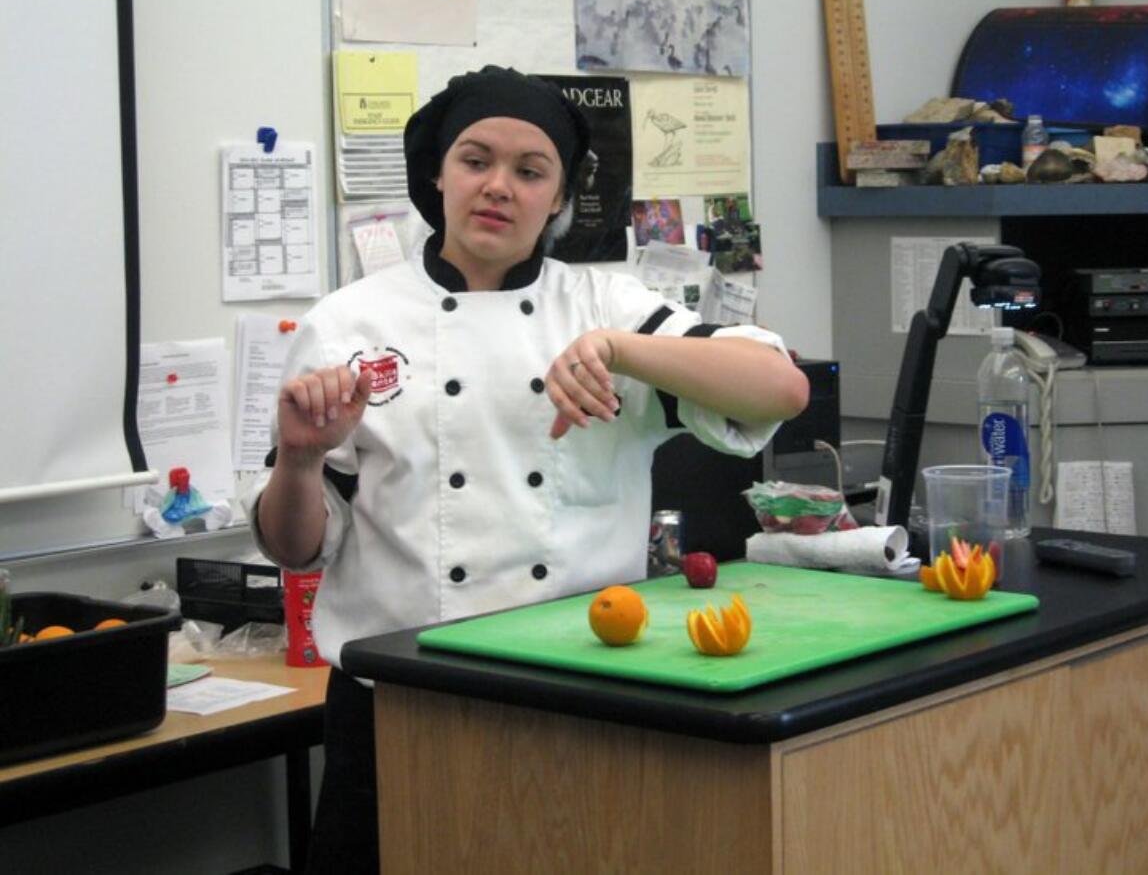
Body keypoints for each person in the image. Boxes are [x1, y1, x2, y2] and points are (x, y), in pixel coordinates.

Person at [244, 65, 809, 874]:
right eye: (475, 160)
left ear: (559, 197)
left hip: (575, 702)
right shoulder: (349, 323)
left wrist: (619, 350)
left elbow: (780, 385)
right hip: (396, 709)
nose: (498, 187)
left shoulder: (604, 309)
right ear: (436, 173)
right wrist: (297, 459)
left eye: (530, 170)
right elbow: (293, 549)